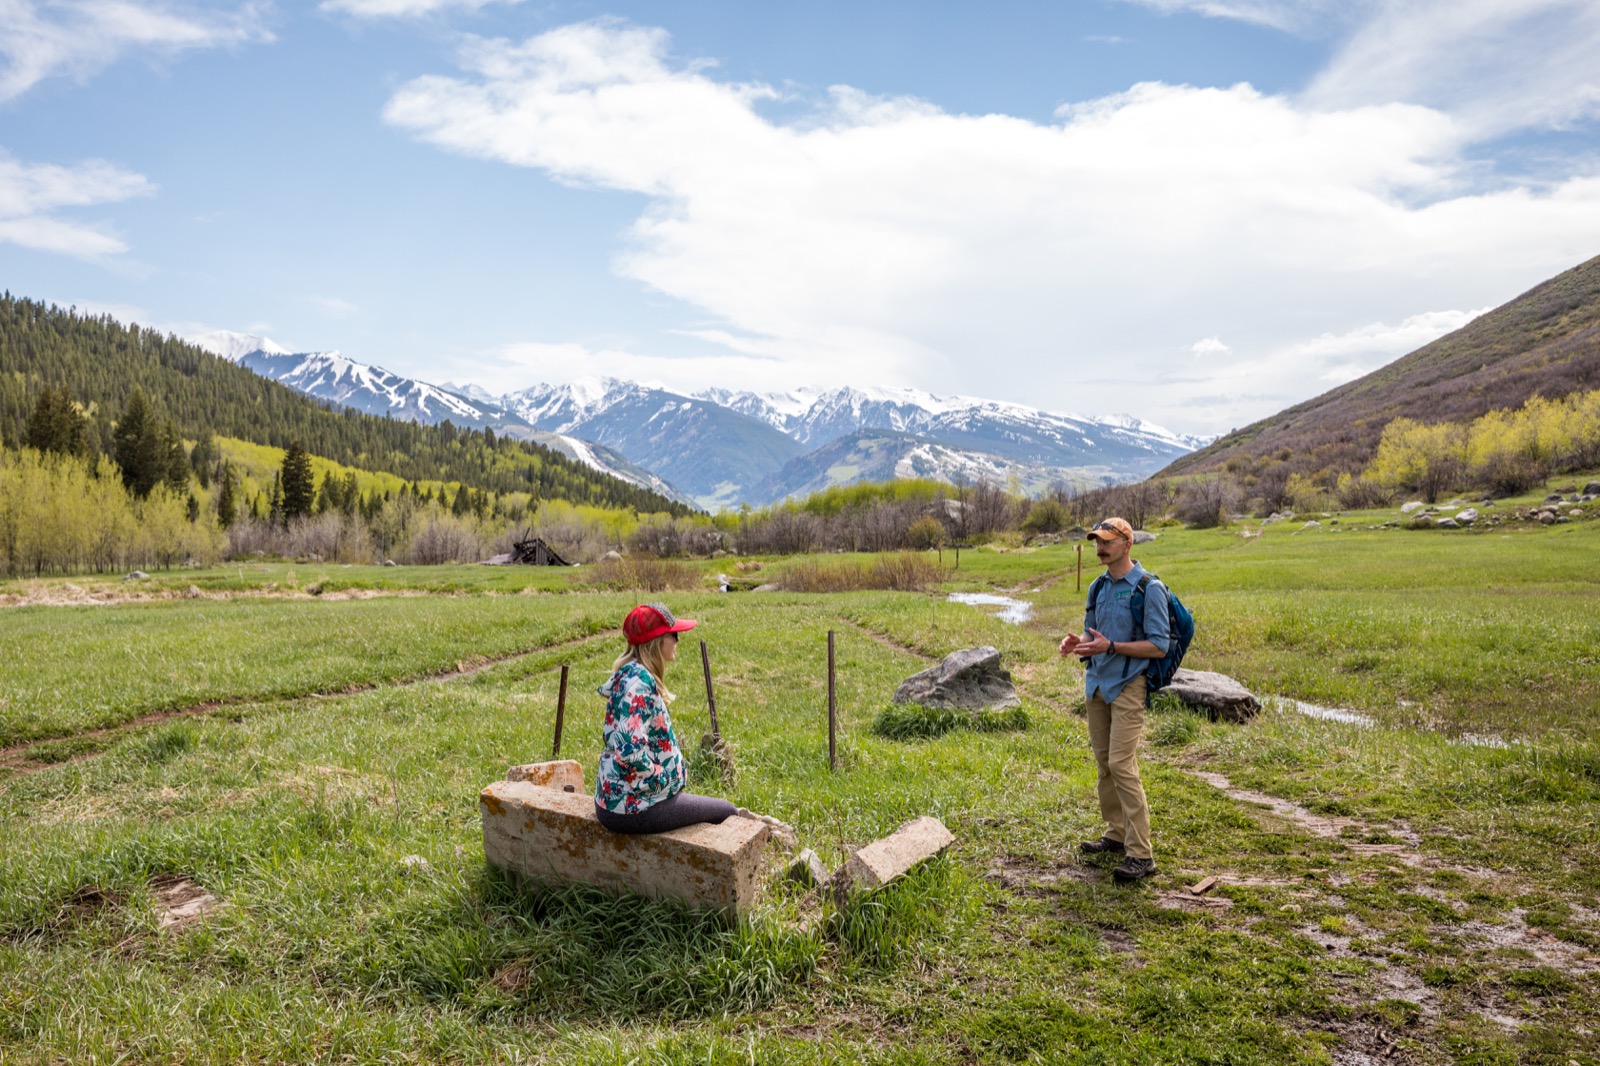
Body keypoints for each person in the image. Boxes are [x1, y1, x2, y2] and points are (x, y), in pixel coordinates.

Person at [1058, 518, 1171, 883]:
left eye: (1107, 541)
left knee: (1122, 763)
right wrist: (1076, 644)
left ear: (1127, 543)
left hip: (1128, 685)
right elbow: (1094, 636)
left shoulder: (1147, 587)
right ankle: (1116, 833)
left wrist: (1113, 647)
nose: (1100, 547)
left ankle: (1141, 855)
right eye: (1096, 541)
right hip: (1097, 685)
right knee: (1105, 762)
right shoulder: (1097, 587)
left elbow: (1159, 645)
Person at [593, 602, 739, 834]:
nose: (678, 641)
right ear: (657, 641)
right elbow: (629, 751)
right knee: (728, 812)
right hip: (632, 809)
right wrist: (663, 778)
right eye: (674, 635)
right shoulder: (639, 685)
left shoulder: (630, 673)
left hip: (618, 800)